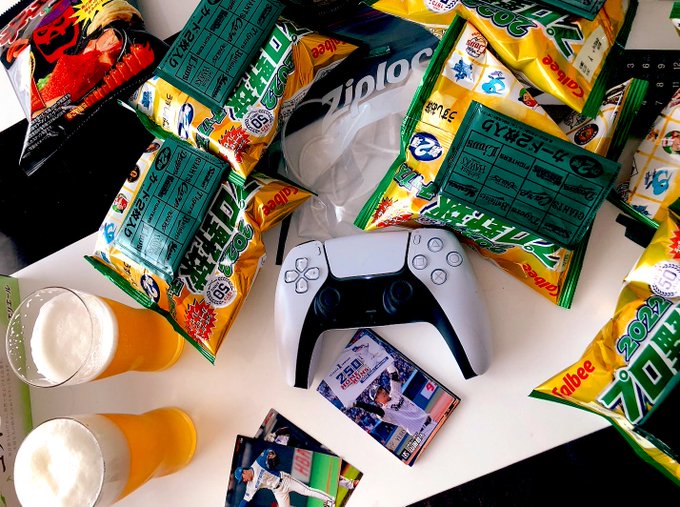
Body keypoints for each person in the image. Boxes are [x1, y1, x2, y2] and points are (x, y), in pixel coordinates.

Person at [353, 364, 435, 440]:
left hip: (431, 422)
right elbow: (376, 410)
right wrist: (357, 404)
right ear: (376, 400)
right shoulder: (385, 411)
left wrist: (388, 364)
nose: (382, 392)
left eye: (381, 389)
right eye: (378, 393)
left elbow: (394, 375)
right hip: (422, 434)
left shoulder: (395, 393)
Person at [233, 448, 335, 507]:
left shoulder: (258, 463)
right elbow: (244, 501)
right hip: (278, 492)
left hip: (285, 480)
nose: (244, 481)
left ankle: (330, 500)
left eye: (243, 478)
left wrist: (271, 454)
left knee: (306, 491)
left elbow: (268, 451)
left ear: (244, 472)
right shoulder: (250, 486)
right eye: (242, 481)